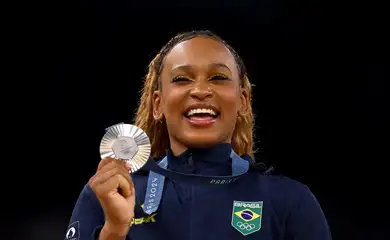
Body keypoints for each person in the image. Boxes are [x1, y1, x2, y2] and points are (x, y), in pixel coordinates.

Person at [65, 30, 332, 240]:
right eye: (182, 79)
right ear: (158, 105)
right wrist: (114, 230)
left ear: (243, 101)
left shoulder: (289, 200)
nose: (201, 90)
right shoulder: (109, 193)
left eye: (218, 77)